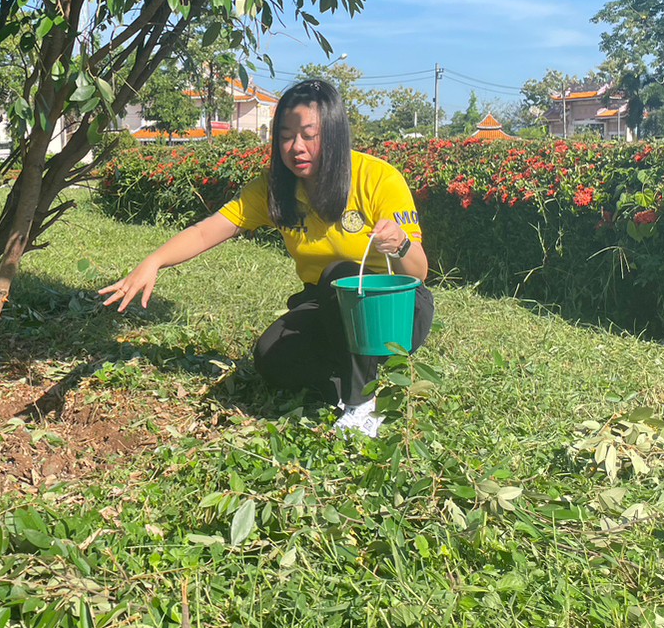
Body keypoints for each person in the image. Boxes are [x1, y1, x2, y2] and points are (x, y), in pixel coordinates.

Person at [100, 78, 435, 437]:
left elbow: (419, 272)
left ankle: (362, 404)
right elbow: (205, 231)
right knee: (272, 357)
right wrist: (154, 261)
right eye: (286, 136)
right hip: (330, 306)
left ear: (334, 135)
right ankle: (350, 383)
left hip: (396, 313)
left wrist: (400, 244)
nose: (296, 147)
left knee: (340, 274)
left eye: (309, 135)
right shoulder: (275, 188)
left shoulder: (378, 178)